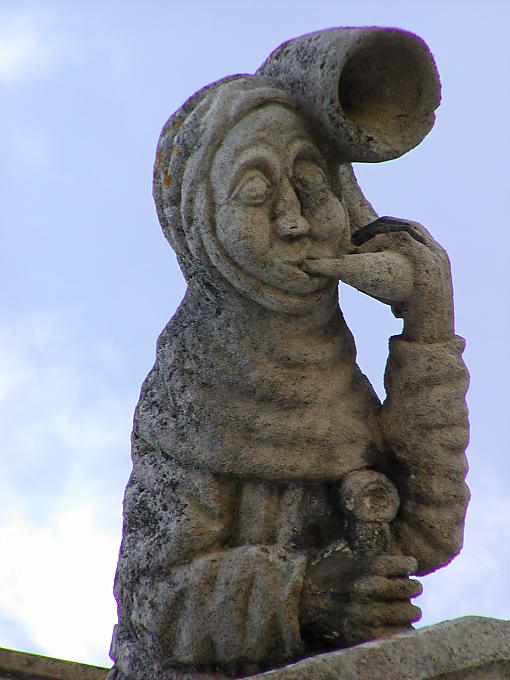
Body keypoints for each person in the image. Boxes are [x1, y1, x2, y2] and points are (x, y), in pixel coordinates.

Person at [108, 77, 469, 680]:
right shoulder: (194, 388)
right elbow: (153, 604)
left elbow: (428, 534)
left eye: (311, 186)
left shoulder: (339, 377)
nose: (295, 222)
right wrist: (303, 596)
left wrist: (428, 332)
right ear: (203, 225)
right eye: (254, 193)